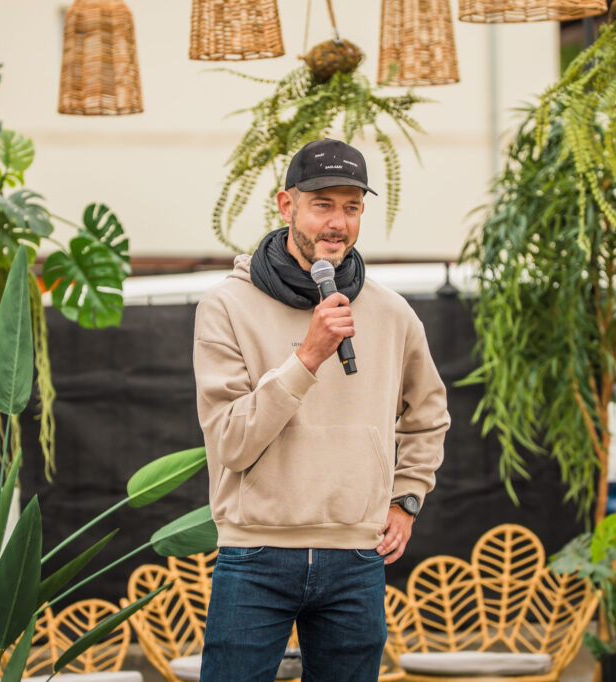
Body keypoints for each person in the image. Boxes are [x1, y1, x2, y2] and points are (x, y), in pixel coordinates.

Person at [193, 138, 450, 681]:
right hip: (256, 554)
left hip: (356, 558)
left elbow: (428, 415)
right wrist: (307, 357)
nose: (338, 222)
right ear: (286, 206)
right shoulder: (227, 305)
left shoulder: (392, 313)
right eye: (322, 205)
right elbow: (231, 442)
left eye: (351, 207)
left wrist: (407, 498)